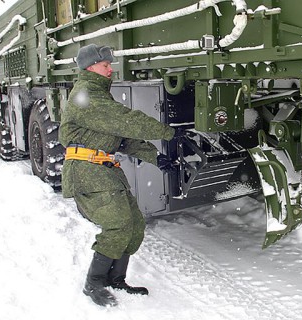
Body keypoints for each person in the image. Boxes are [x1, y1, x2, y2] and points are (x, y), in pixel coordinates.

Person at [59, 44, 175, 307]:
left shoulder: (99, 95)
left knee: (134, 225)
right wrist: (168, 132)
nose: (111, 69)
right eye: (105, 65)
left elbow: (121, 139)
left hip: (104, 170)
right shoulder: (86, 94)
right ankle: (94, 282)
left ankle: (116, 278)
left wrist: (157, 157)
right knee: (118, 225)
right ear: (91, 68)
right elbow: (125, 120)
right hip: (86, 172)